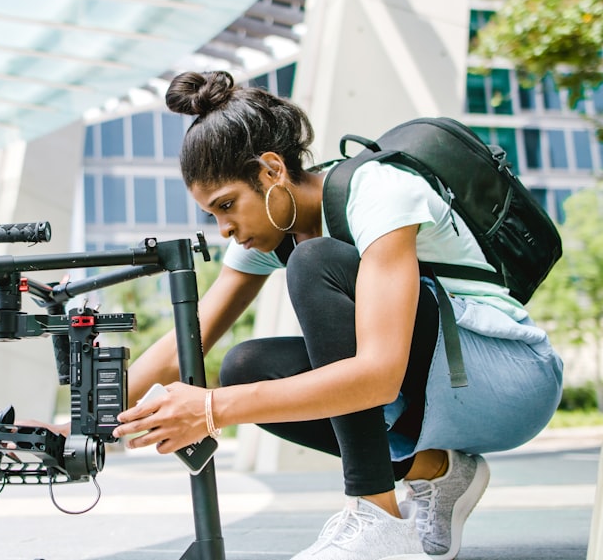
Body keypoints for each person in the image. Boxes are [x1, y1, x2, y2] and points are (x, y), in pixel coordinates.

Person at [110, 70, 564, 560]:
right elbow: (186, 342)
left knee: (313, 263)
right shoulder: (271, 228)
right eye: (211, 215)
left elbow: (378, 377)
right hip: (443, 390)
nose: (224, 229)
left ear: (270, 172)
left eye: (226, 206)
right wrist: (83, 423)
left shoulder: (375, 191)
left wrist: (213, 409)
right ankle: (438, 470)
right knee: (247, 366)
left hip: (511, 379)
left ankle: (378, 519)